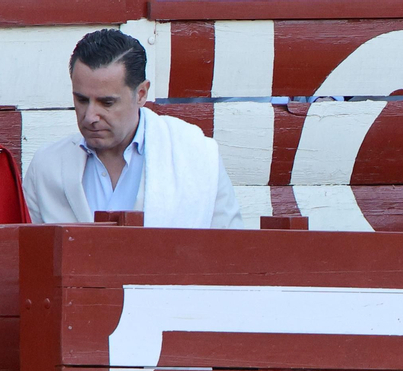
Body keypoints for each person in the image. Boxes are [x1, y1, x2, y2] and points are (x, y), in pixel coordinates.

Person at [24, 28, 242, 228]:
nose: (90, 116)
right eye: (81, 100)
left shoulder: (198, 154)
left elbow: (230, 253)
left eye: (107, 103)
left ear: (141, 94)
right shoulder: (46, 166)